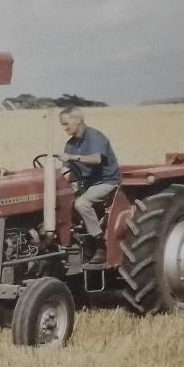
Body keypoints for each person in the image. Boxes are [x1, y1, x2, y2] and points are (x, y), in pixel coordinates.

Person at [54, 106, 120, 264]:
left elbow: (96, 159)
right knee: (61, 202)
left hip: (106, 182)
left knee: (81, 203)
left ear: (78, 120)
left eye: (66, 124)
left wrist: (72, 157)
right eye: (62, 125)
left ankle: (100, 244)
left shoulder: (94, 137)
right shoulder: (70, 144)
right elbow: (68, 173)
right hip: (85, 184)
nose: (64, 128)